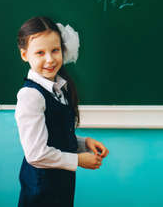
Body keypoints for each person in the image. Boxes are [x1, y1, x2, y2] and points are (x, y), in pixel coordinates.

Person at [15, 16, 109, 207]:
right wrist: (78, 160)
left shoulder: (59, 88)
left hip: (60, 185)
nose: (50, 59)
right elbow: (36, 154)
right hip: (41, 190)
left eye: (55, 50)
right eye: (40, 52)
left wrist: (83, 143)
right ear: (25, 55)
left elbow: (55, 135)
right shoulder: (30, 96)